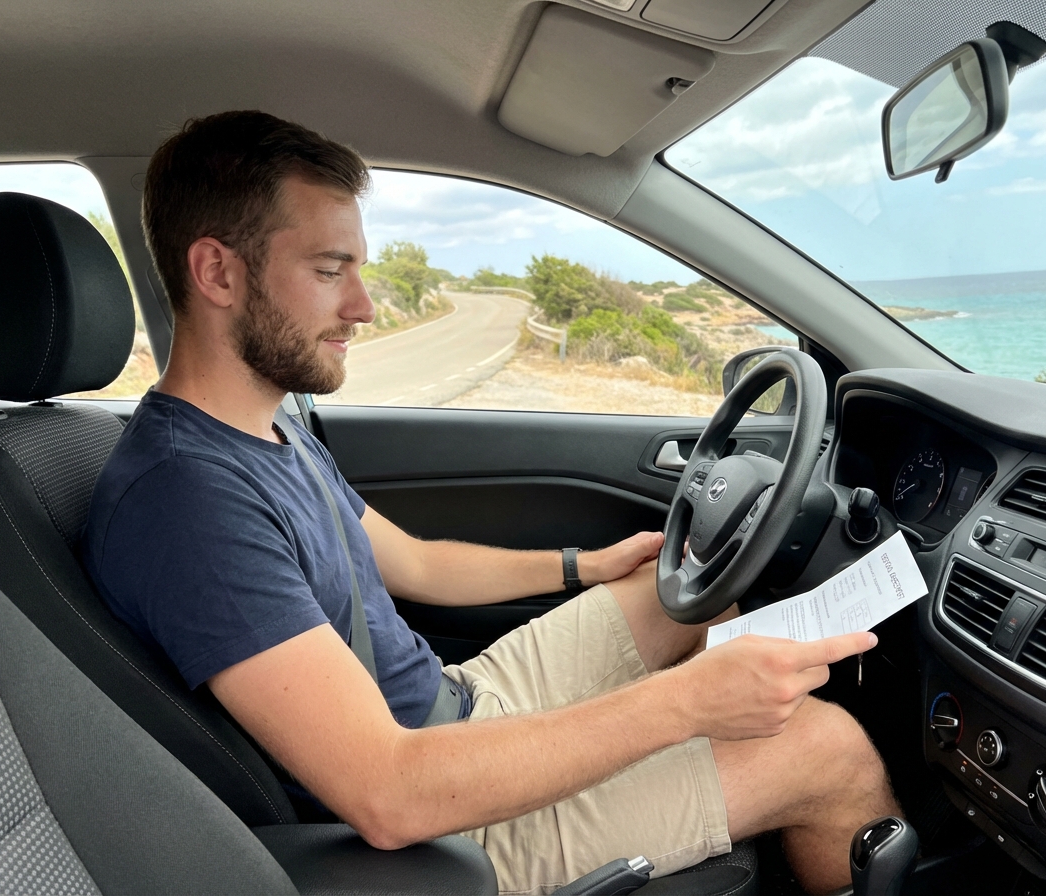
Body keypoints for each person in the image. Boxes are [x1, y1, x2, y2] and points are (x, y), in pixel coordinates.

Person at [83, 110, 900, 896]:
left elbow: (416, 563)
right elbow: (388, 792)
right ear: (218, 272)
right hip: (449, 822)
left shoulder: (265, 432)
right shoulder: (188, 502)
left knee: (686, 593)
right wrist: (685, 706)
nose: (363, 306)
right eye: (330, 271)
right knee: (827, 749)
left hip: (459, 699)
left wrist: (585, 565)